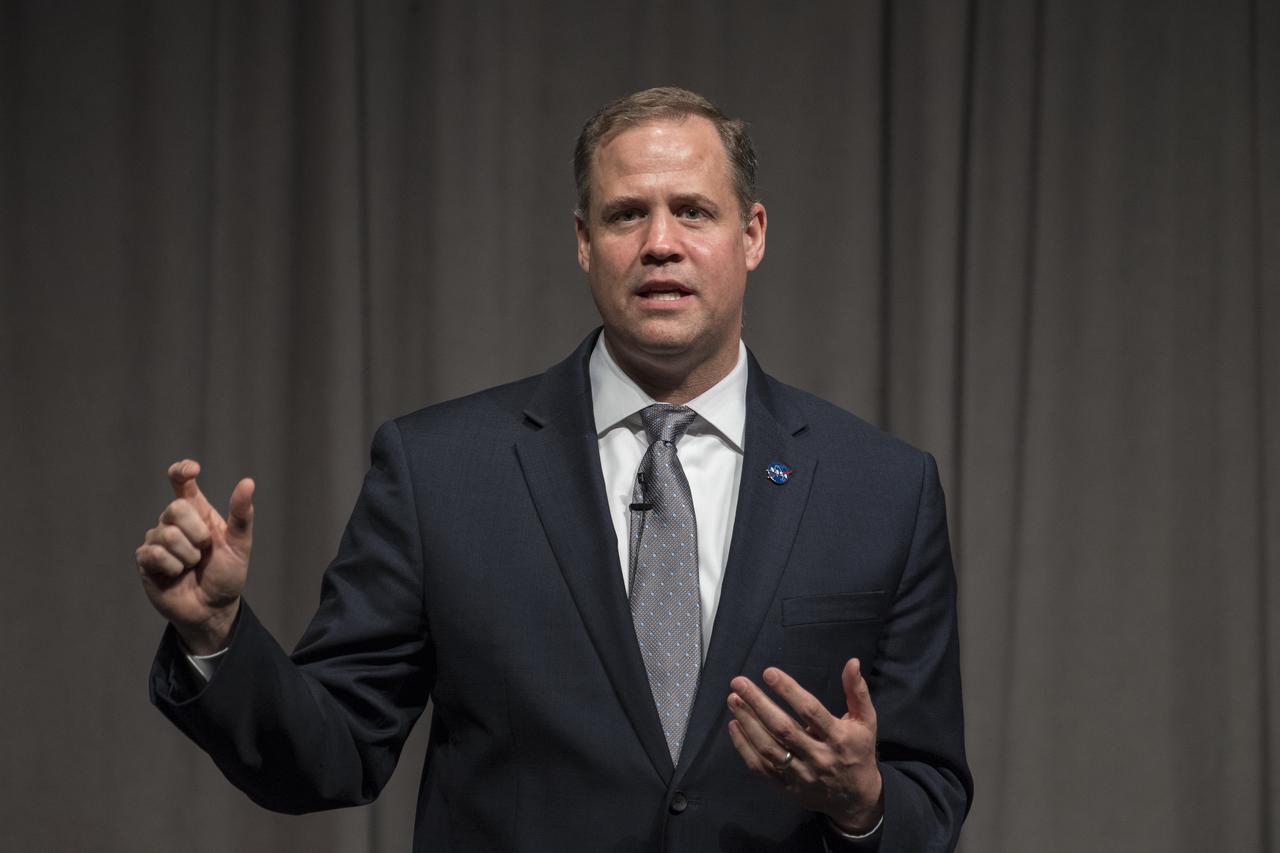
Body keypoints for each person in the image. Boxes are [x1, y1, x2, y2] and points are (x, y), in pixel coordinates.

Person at [136, 87, 972, 852]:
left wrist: (862, 803)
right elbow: (329, 755)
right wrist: (217, 637)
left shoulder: (883, 490)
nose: (660, 244)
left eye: (692, 211)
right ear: (582, 242)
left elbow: (930, 795)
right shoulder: (439, 472)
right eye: (624, 215)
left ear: (751, 235)